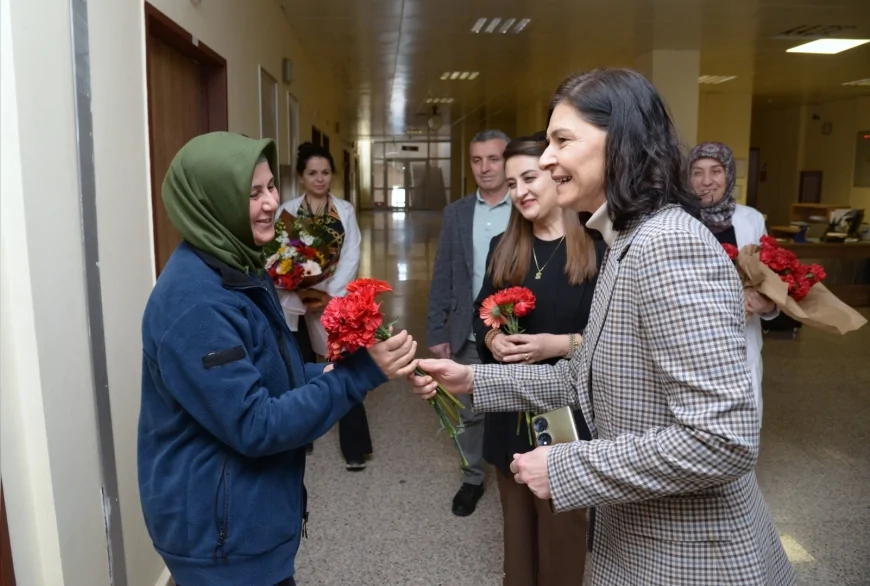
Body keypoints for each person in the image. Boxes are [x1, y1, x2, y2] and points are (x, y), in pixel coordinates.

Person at [411, 69, 795, 585]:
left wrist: (567, 468)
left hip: (689, 559)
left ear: (622, 143)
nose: (547, 159)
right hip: (638, 540)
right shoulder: (624, 240)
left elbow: (723, 440)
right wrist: (474, 379)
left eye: (562, 140)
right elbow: (586, 375)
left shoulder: (668, 245)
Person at [138, 132, 418, 586]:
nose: (271, 202)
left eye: (270, 186)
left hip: (242, 517)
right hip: (220, 539)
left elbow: (268, 375)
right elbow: (257, 423)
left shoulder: (237, 264)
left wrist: (338, 367)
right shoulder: (197, 305)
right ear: (213, 202)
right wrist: (359, 376)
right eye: (253, 193)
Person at [473, 132, 605, 586]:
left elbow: (612, 342)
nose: (520, 192)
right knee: (517, 536)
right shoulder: (504, 246)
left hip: (566, 419)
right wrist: (493, 339)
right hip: (509, 410)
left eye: (529, 178)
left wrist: (558, 345)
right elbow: (481, 313)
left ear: (555, 176)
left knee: (561, 536)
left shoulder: (598, 248)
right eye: (511, 184)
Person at [426, 129, 512, 516]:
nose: (485, 167)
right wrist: (436, 329)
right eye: (477, 160)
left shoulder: (526, 206)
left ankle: (517, 476)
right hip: (468, 330)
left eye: (493, 159)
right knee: (469, 411)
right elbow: (443, 274)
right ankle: (472, 477)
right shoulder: (457, 213)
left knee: (516, 406)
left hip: (516, 330)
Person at [274, 142, 370, 471]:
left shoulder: (344, 211)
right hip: (293, 301)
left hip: (332, 301)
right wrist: (300, 289)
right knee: (297, 369)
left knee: (344, 367)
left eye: (325, 172)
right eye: (312, 173)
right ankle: (301, 435)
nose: (320, 178)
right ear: (301, 176)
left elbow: (352, 254)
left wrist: (327, 292)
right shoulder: (286, 211)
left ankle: (354, 447)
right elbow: (279, 256)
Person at [689, 141, 779, 421]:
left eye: (715, 171)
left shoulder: (751, 219)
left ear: (728, 175)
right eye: (697, 172)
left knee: (741, 423)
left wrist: (768, 306)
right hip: (691, 341)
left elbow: (770, 277)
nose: (707, 181)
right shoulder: (679, 219)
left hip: (739, 341)